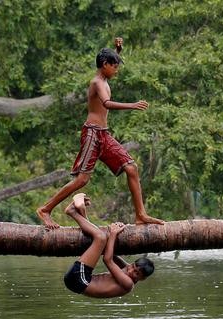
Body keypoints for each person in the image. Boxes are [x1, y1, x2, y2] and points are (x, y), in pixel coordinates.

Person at [36, 37, 163, 230]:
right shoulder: (97, 82)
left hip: (104, 135)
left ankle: (140, 214)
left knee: (131, 168)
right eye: (115, 66)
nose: (117, 70)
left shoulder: (103, 76)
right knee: (82, 180)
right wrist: (133, 105)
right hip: (92, 135)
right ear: (105, 65)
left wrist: (117, 51)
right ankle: (45, 210)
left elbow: (109, 64)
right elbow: (106, 103)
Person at [63, 193, 154, 298]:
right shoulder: (128, 269)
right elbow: (110, 253)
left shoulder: (128, 283)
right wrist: (113, 236)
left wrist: (113, 234)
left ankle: (72, 212)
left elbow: (107, 260)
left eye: (137, 273)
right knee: (101, 240)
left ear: (142, 279)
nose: (130, 270)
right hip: (80, 279)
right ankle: (81, 211)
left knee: (101, 237)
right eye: (133, 266)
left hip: (78, 280)